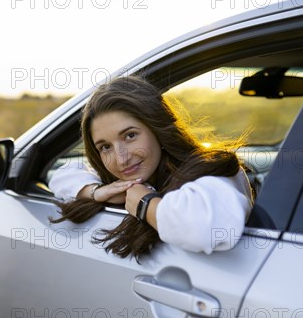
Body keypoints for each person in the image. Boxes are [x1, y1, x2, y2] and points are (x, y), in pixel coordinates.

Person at [49, 76, 254, 261]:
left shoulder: (215, 170)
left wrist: (144, 203)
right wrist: (97, 192)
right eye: (105, 147)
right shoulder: (119, 182)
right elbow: (62, 176)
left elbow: (207, 228)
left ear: (157, 128)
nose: (121, 159)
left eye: (130, 136)